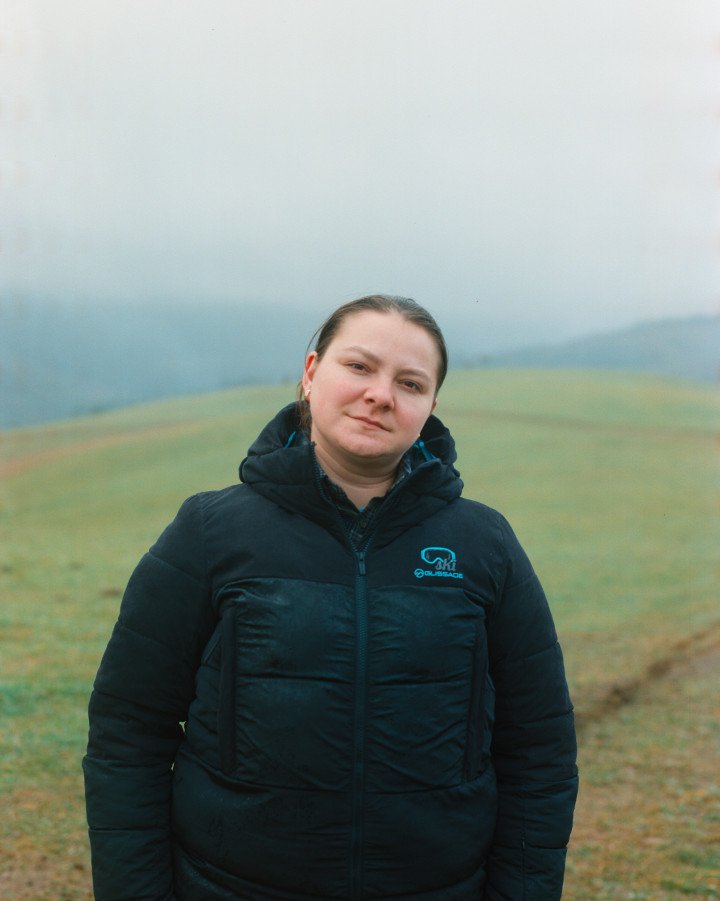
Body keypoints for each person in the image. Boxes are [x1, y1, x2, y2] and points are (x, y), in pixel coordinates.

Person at [83, 294, 578, 900]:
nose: (380, 395)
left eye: (411, 382)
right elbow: (128, 732)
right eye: (360, 367)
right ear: (312, 372)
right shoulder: (211, 532)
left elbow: (540, 751)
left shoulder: (484, 544)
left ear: (430, 408)